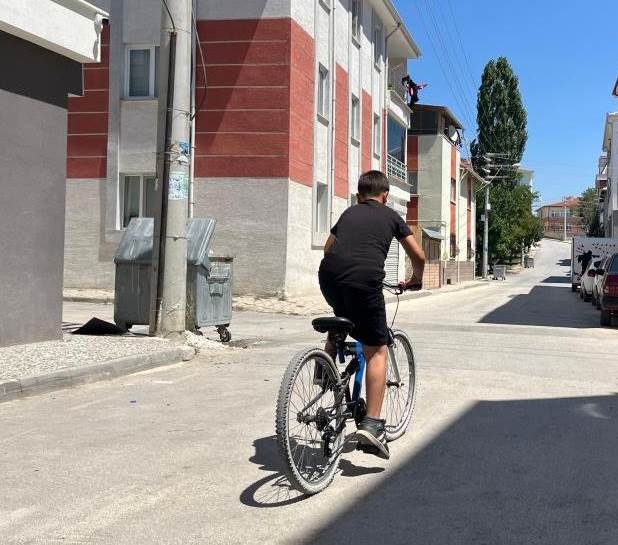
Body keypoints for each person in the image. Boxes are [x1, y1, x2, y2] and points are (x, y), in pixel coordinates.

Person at [318, 170, 426, 459]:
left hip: (329, 277)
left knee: (341, 317)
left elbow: (328, 249)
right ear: (385, 196)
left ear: (359, 195)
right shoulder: (391, 216)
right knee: (376, 349)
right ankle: (372, 426)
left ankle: (324, 368)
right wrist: (416, 279)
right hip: (365, 280)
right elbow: (418, 255)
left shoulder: (348, 214)